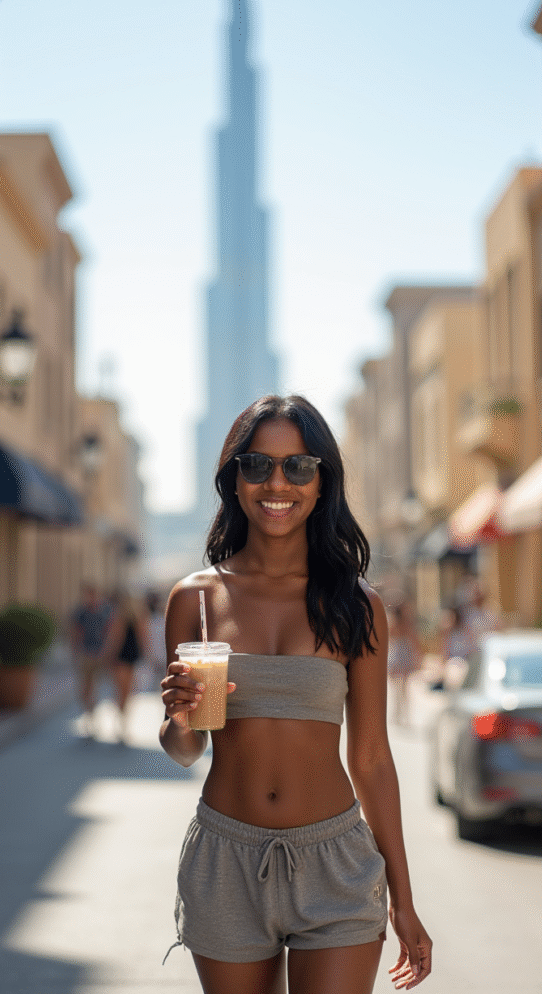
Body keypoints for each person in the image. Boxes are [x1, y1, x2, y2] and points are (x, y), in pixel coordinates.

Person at [160, 394, 431, 994]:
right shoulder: (195, 599)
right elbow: (183, 748)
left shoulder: (357, 606)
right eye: (256, 465)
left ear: (320, 481)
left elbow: (372, 758)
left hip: (334, 861)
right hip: (226, 859)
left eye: (297, 467)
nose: (276, 483)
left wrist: (402, 899)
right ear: (234, 479)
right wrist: (181, 718)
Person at [104, 589, 148, 742]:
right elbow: (144, 637)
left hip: (121, 657)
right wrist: (147, 655)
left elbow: (116, 639)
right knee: (128, 691)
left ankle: (121, 724)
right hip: (132, 656)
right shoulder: (139, 616)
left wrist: (109, 656)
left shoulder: (119, 617)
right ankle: (123, 724)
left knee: (120, 692)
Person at [69, 582, 112, 737]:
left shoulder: (105, 611)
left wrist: (107, 652)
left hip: (100, 653)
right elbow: (75, 632)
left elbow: (109, 631)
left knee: (97, 686)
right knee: (85, 688)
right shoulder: (80, 612)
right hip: (85, 653)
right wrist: (75, 652)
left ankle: (95, 717)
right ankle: (88, 717)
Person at [387, 601, 424, 725]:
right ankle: (400, 713)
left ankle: (400, 713)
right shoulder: (399, 624)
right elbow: (414, 642)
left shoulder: (398, 624)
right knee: (401, 688)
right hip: (399, 655)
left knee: (400, 688)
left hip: (399, 655)